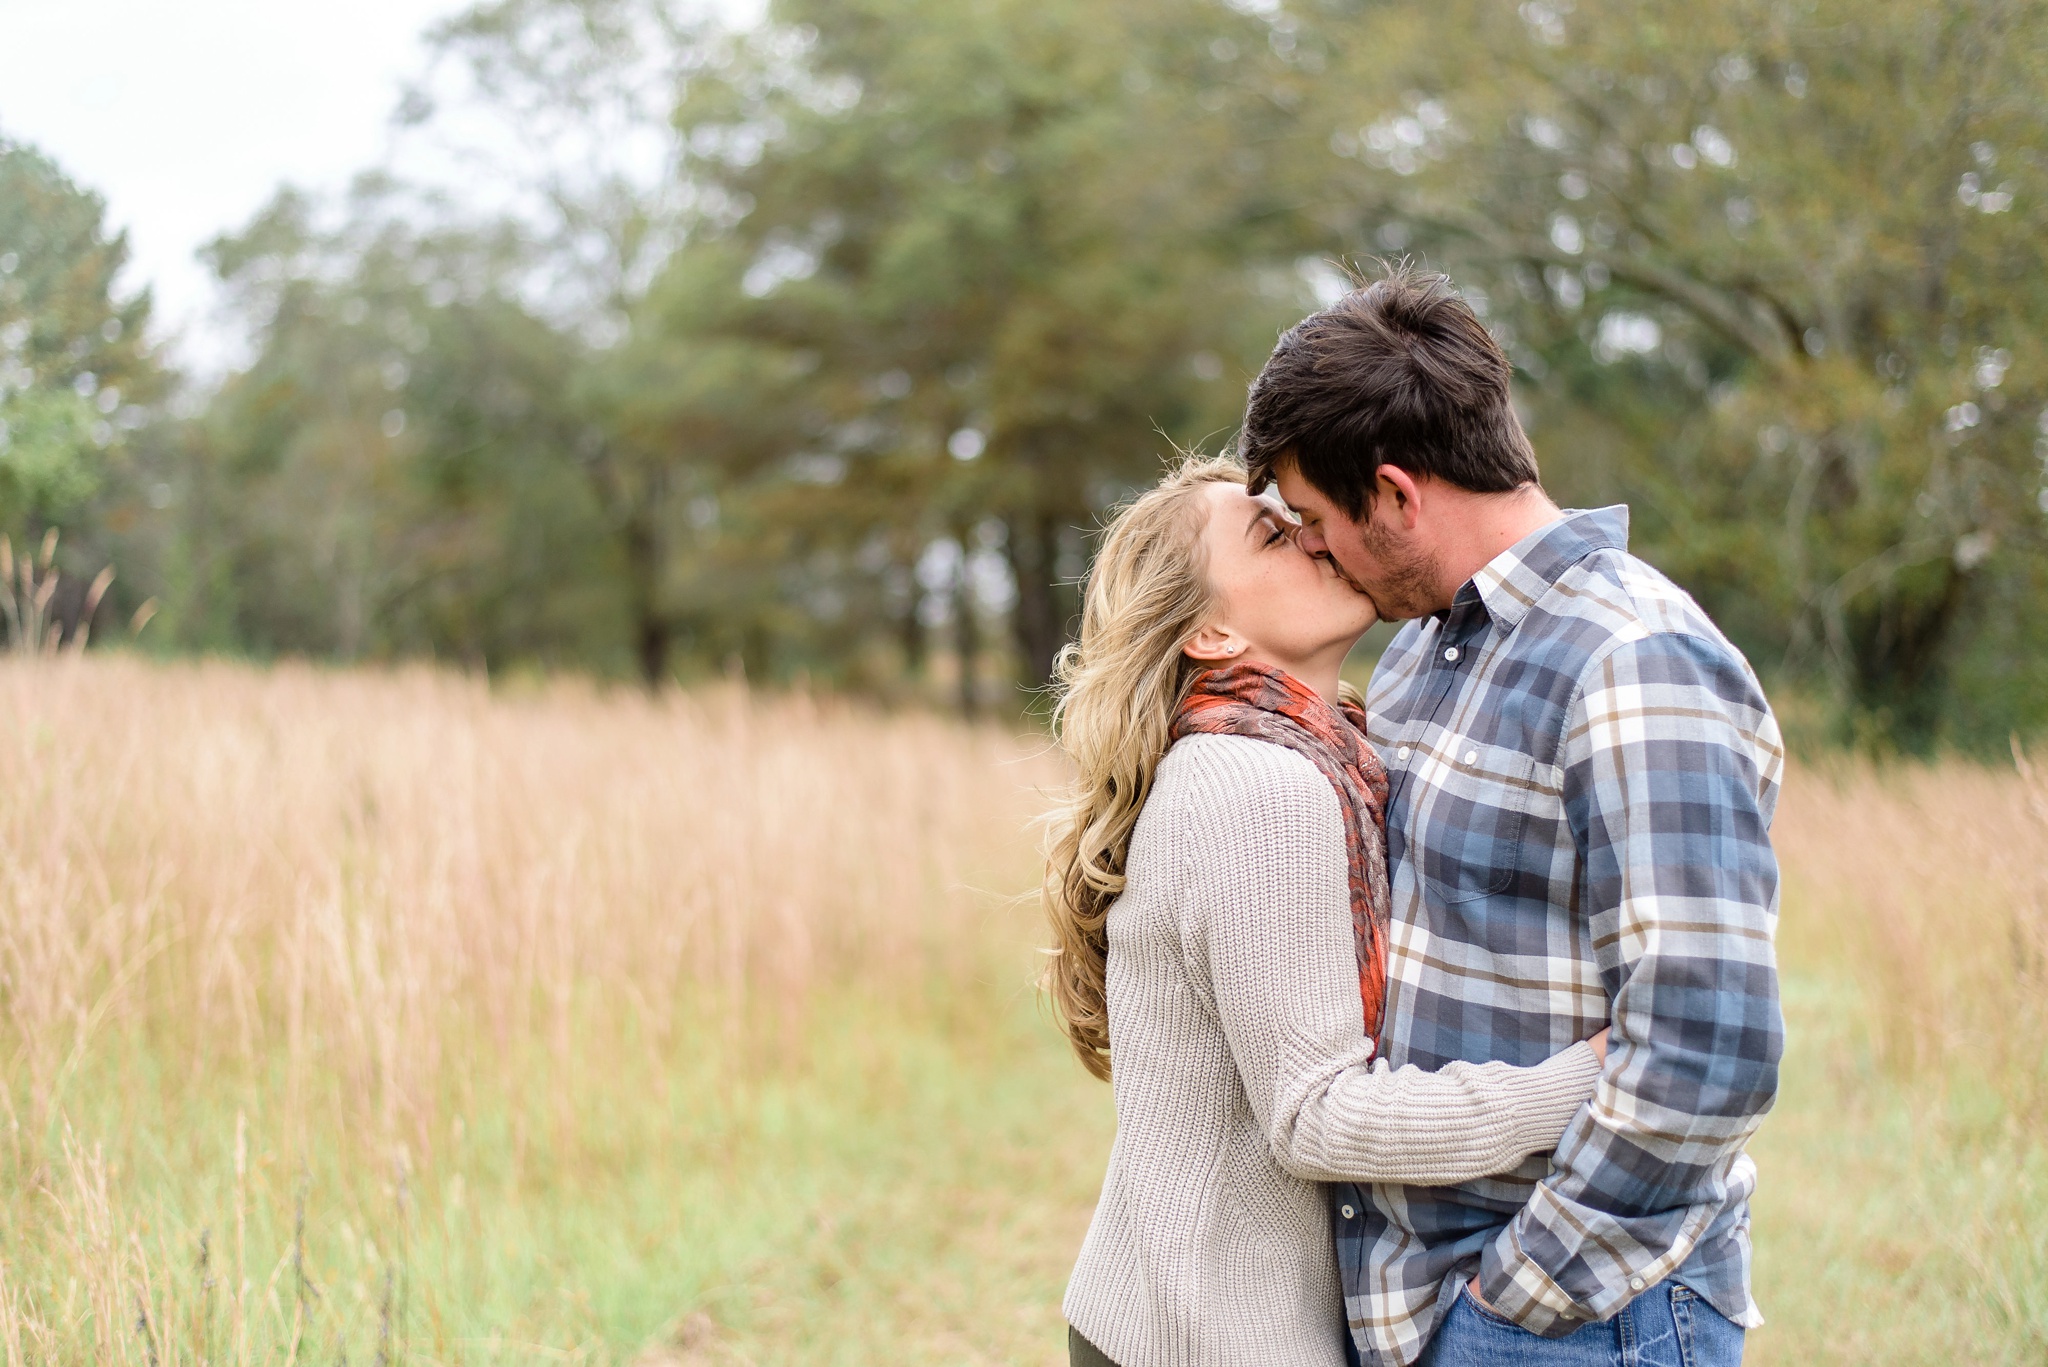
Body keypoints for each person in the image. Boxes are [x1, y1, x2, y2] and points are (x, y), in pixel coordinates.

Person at [1238, 264, 1785, 1367]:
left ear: (1393, 494)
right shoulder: (1415, 661)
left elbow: (1706, 1046)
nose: (1307, 549)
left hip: (1579, 1323)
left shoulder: (1631, 660)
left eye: (1310, 518)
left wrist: (1515, 1303)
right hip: (1433, 1306)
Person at [1044, 456, 1611, 1367]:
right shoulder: (1261, 785)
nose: (1314, 537)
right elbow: (1320, 1116)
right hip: (1209, 1339)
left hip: (1167, 1316)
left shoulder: (1312, 750)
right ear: (1213, 635)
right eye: (1273, 533)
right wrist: (1581, 1078)